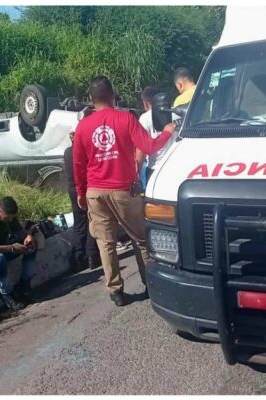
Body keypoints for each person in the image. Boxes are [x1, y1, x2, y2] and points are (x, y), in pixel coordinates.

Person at [73, 76, 175, 306]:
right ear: (113, 94)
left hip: (95, 192)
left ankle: (116, 291)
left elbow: (78, 165)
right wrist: (167, 132)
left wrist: (81, 193)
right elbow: (148, 147)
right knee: (140, 239)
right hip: (122, 190)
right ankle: (150, 284)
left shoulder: (83, 127)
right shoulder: (125, 119)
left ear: (91, 99)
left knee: (106, 242)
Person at [63, 130, 101, 270]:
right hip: (86, 189)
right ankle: (92, 255)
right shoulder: (84, 150)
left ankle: (78, 257)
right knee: (92, 221)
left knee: (79, 224)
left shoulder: (67, 152)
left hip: (73, 191)